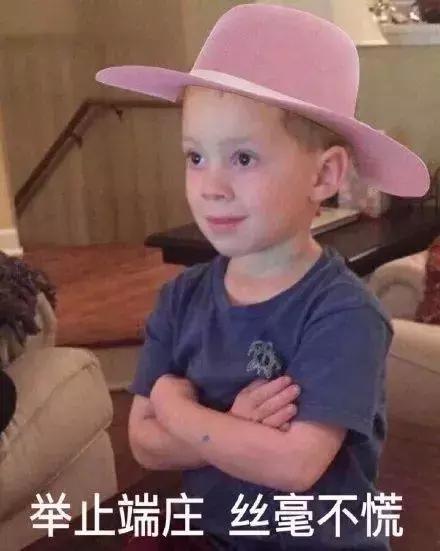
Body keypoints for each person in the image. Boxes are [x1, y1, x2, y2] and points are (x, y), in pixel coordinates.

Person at [96, 4, 429, 549]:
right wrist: (235, 426)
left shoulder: (345, 313)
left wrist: (179, 409)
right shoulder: (180, 298)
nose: (211, 187)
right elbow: (143, 443)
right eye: (195, 157)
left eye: (244, 159)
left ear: (325, 174)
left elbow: (295, 463)